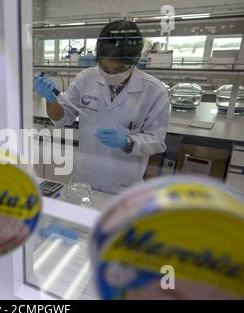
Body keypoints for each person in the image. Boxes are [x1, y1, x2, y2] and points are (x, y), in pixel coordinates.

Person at [34, 20, 170, 194]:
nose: (110, 74)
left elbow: (157, 141)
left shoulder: (154, 90)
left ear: (136, 59)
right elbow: (62, 118)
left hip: (123, 187)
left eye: (119, 69)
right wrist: (51, 99)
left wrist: (127, 142)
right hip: (84, 180)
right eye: (104, 68)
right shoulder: (86, 78)